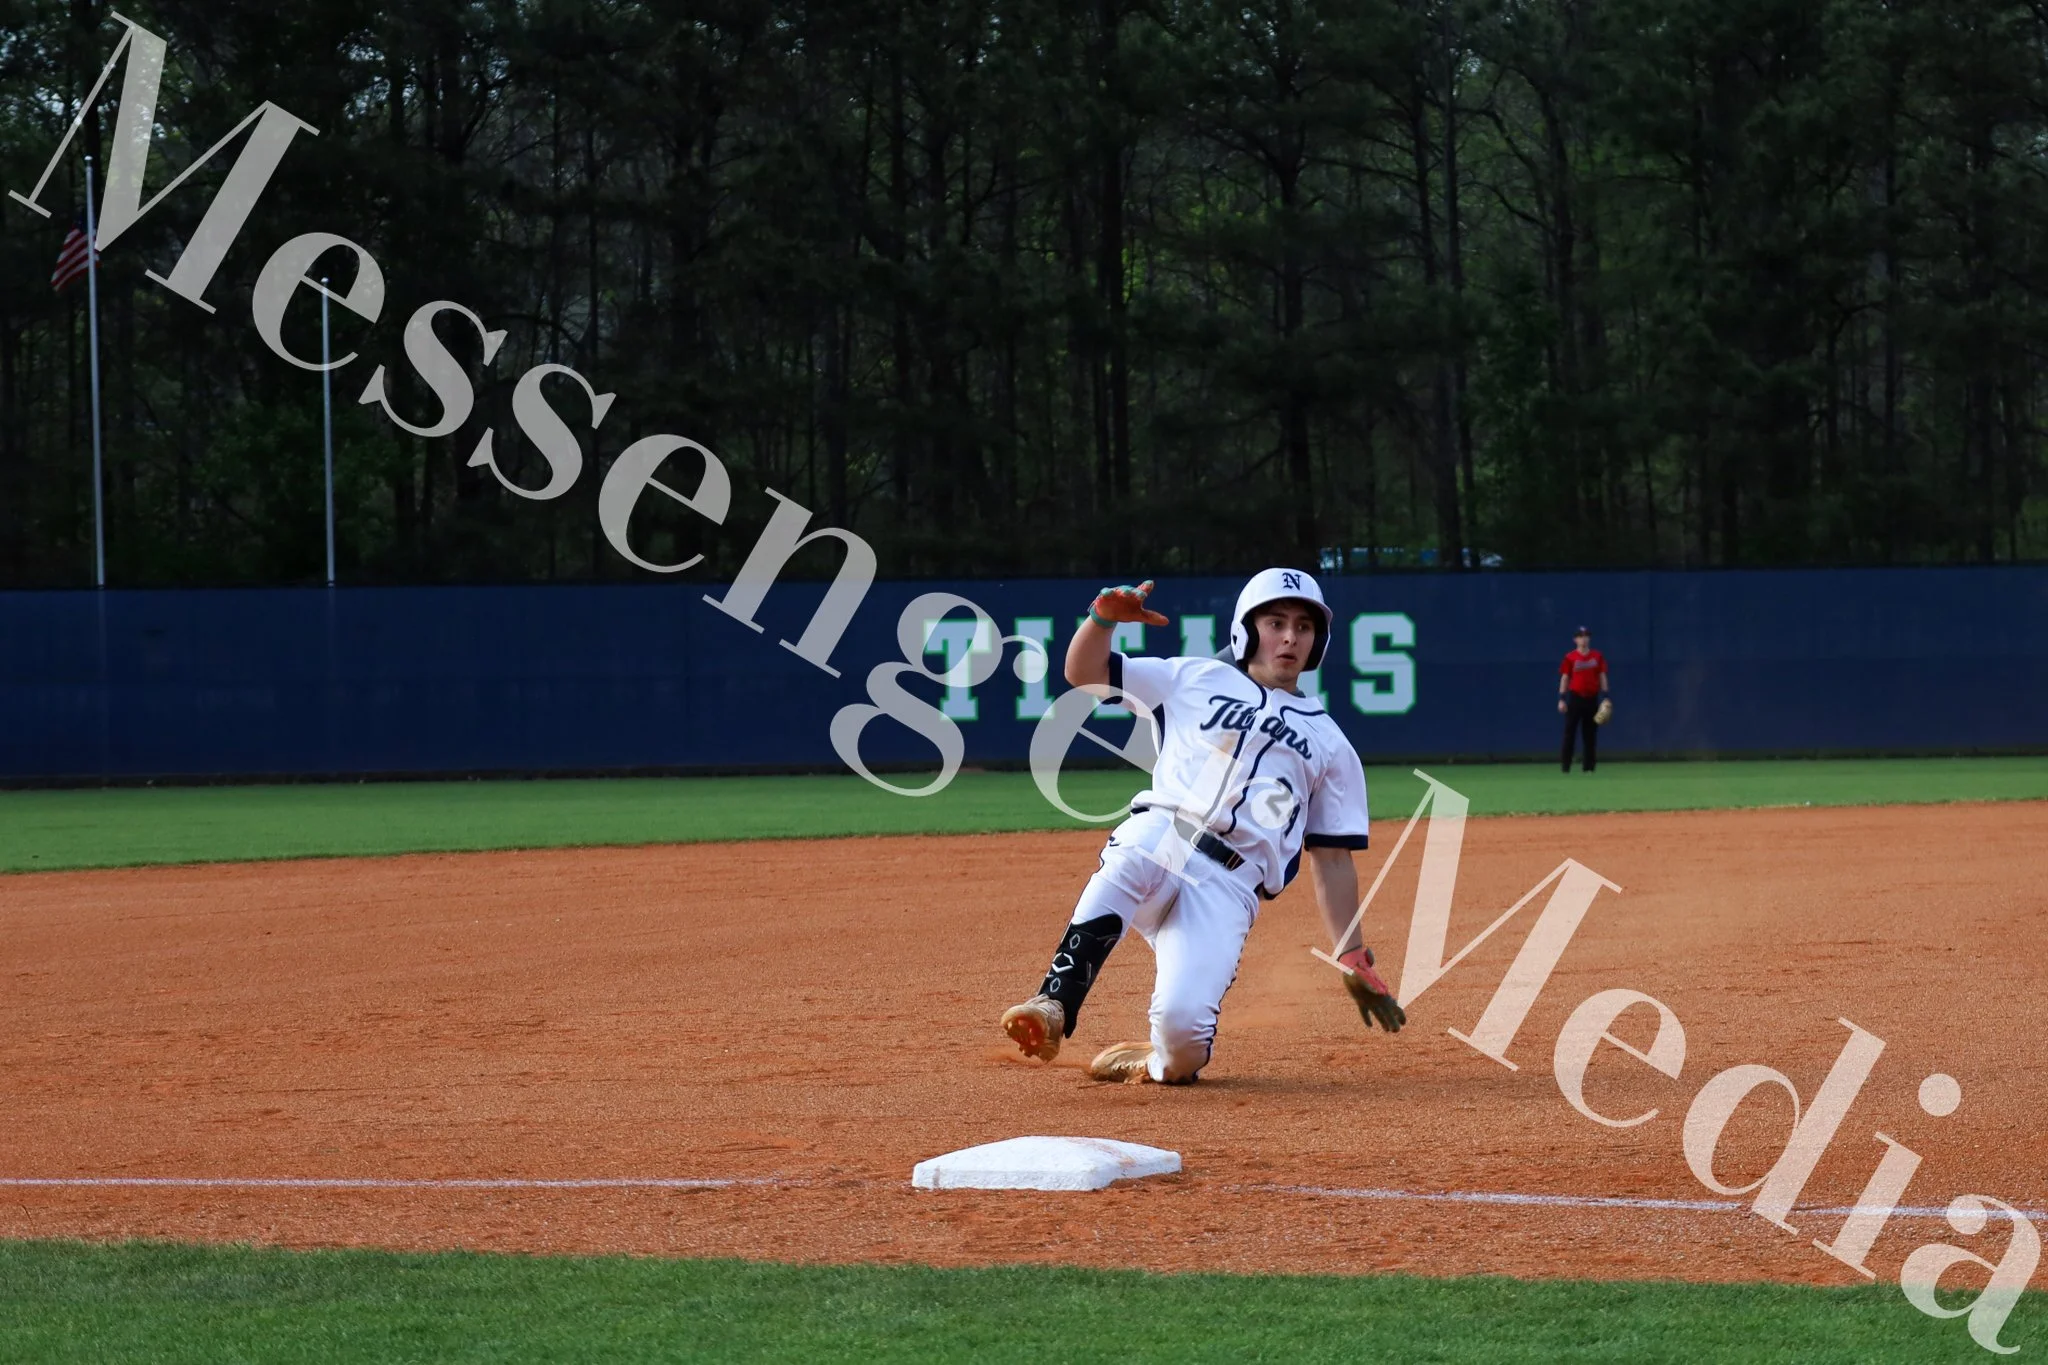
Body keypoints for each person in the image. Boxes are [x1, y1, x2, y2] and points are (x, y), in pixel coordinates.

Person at [1000, 569, 1406, 1085]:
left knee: (1184, 1043)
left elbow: (1332, 859)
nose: (1289, 637)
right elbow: (1085, 673)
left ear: (1317, 641)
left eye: (1303, 627)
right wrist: (1101, 620)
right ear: (1246, 630)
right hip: (1167, 835)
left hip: (1230, 884)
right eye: (1275, 623)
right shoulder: (1193, 677)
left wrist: (1351, 954)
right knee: (1138, 848)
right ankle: (1055, 1001)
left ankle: (1155, 1059)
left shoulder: (1332, 745)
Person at [1558, 625, 1610, 773]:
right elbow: (1565, 678)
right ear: (1575, 640)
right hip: (1575, 698)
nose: (1584, 639)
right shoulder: (1570, 657)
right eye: (1580, 636)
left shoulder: (1597, 656)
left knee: (1590, 734)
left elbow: (1602, 676)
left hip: (1592, 698)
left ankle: (1589, 767)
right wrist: (1562, 698)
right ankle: (1566, 766)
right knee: (1570, 733)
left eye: (1586, 636)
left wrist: (1606, 697)